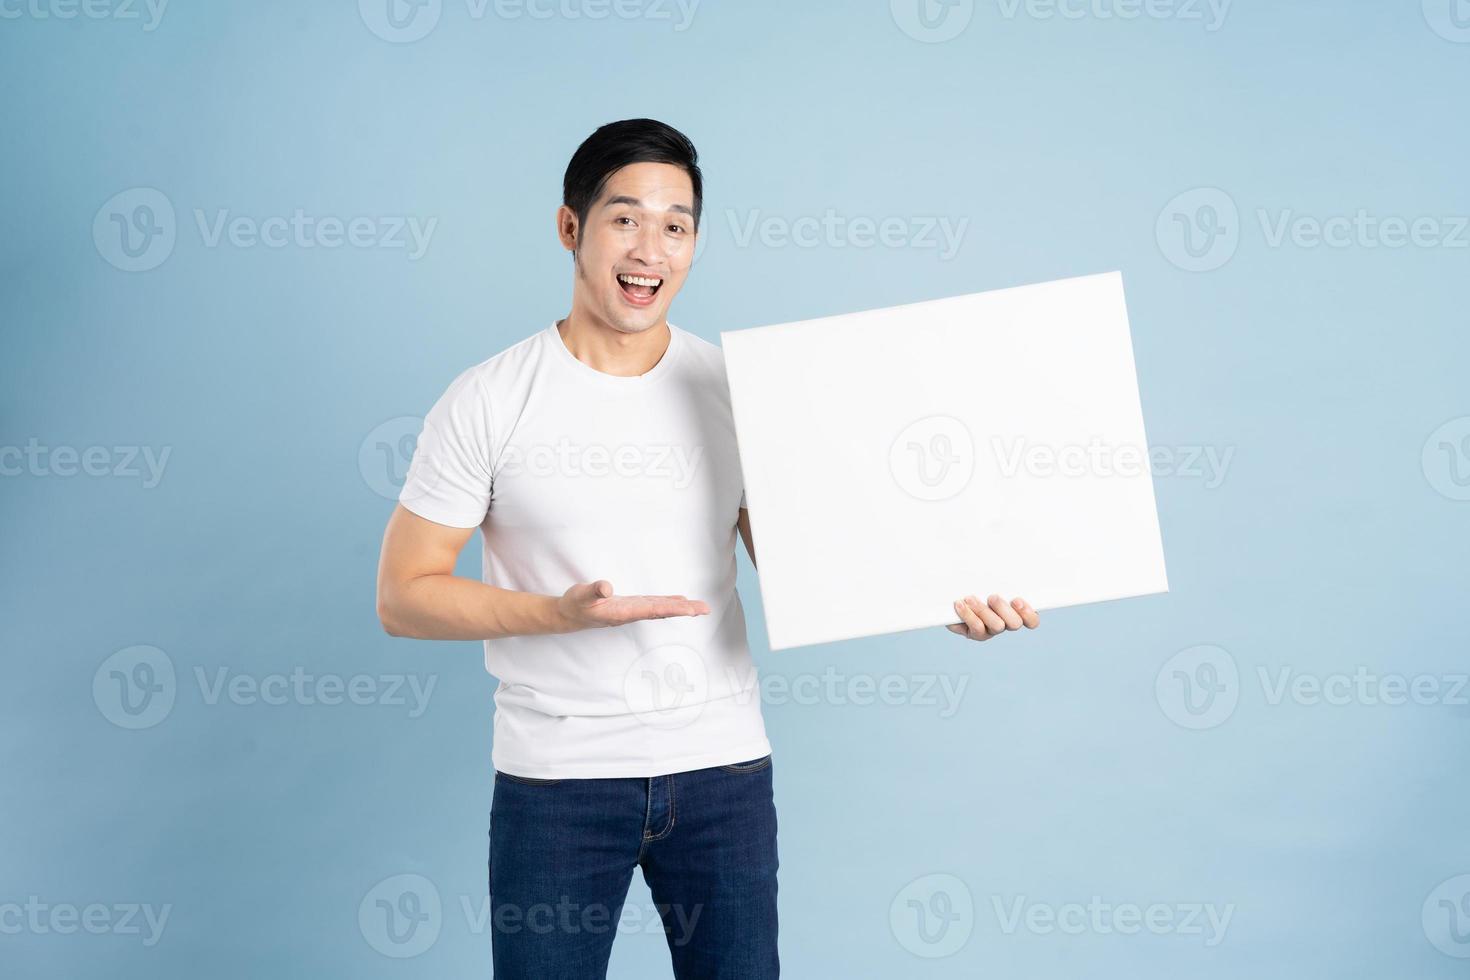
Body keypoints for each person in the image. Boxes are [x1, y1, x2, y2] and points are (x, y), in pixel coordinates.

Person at [374, 117, 1040, 979]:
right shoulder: (489, 399)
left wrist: (948, 608)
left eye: (676, 225)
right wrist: (556, 615)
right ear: (570, 228)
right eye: (624, 218)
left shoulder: (736, 391)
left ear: (695, 243)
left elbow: (814, 566)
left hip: (722, 775)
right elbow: (403, 594)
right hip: (557, 786)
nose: (650, 247)